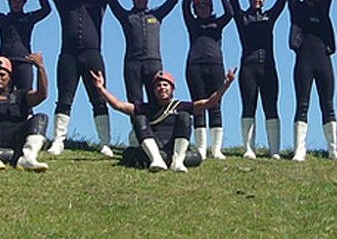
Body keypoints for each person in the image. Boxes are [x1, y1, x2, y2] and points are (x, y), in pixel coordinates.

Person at [44, 0, 117, 158]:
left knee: (98, 97)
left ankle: (105, 143)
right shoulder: (65, 1)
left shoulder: (99, 0)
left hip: (92, 55)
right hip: (68, 55)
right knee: (64, 98)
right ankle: (58, 141)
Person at [90, 67, 237, 172]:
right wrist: (101, 89)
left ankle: (177, 162)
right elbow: (118, 105)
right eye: (158, 85)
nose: (162, 88)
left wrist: (226, 85)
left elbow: (208, 103)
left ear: (172, 89)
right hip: (154, 151)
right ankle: (156, 160)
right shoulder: (146, 108)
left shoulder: (180, 105)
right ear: (154, 91)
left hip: (174, 150)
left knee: (192, 143)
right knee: (137, 126)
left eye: (165, 85)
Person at [286, 0, 337, 162]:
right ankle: (299, 149)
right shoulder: (296, 7)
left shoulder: (324, 7)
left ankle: (334, 150)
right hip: (304, 61)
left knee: (328, 105)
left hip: (324, 61)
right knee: (302, 104)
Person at [229, 0, 287, 159]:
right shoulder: (242, 17)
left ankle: (274, 150)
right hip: (248, 68)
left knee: (271, 106)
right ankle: (249, 149)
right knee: (249, 105)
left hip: (269, 67)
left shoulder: (269, 16)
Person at [109, 0, 178, 108]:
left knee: (157, 99)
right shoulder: (126, 16)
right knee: (135, 101)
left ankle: (156, 129)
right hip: (132, 63)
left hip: (153, 62)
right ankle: (137, 129)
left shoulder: (156, 15)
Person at [182, 0, 232, 160]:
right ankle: (201, 148)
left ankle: (216, 149)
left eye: (205, 6)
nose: (202, 9)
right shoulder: (192, 22)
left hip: (215, 65)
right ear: (196, 9)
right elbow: (184, 3)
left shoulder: (217, 22)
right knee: (198, 105)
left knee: (216, 105)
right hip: (194, 66)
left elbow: (230, 13)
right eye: (199, 6)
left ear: (211, 8)